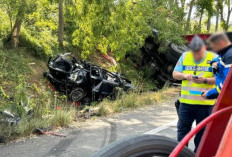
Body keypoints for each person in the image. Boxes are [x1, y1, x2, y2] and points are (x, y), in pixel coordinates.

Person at [172, 35, 218, 152]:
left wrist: (205, 80)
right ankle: (182, 154)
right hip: (186, 103)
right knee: (182, 132)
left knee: (202, 135)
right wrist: (185, 76)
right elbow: (175, 74)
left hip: (205, 104)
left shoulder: (214, 59)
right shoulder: (185, 56)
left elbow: (221, 79)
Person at [201, 32, 232, 99]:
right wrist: (214, 62)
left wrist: (209, 94)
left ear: (221, 43)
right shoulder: (226, 53)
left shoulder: (229, 55)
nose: (213, 50)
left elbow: (228, 83)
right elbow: (220, 58)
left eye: (213, 47)